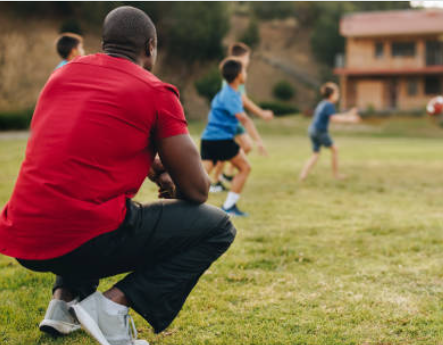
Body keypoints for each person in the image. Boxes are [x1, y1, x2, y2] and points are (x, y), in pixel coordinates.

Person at [0, 7, 236, 345]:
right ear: (150, 46)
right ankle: (110, 308)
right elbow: (198, 189)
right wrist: (172, 182)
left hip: (24, 235)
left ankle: (63, 303)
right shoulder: (156, 92)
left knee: (84, 197)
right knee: (218, 227)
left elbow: (83, 145)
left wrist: (156, 168)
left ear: (104, 43)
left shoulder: (62, 76)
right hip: (81, 235)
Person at [201, 58, 263, 217]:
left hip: (209, 139)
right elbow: (244, 119)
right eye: (244, 71)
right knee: (245, 168)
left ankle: (181, 201)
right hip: (220, 140)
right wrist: (259, 141)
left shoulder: (228, 93)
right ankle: (229, 206)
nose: (246, 73)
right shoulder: (231, 95)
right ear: (238, 76)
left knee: (201, 175)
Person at [210, 42, 273, 193]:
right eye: (248, 57)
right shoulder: (236, 74)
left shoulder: (236, 72)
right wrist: (261, 113)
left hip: (233, 117)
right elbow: (243, 100)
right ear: (242, 57)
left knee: (245, 146)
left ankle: (224, 176)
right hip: (230, 118)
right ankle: (216, 181)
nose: (249, 60)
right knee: (226, 151)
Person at [299, 82, 361, 181]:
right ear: (331, 95)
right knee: (335, 149)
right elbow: (334, 118)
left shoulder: (323, 103)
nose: (338, 95)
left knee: (316, 154)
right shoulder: (329, 105)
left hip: (312, 130)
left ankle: (303, 175)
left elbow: (334, 115)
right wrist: (350, 119)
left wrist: (349, 114)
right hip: (320, 131)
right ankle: (336, 175)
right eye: (337, 93)